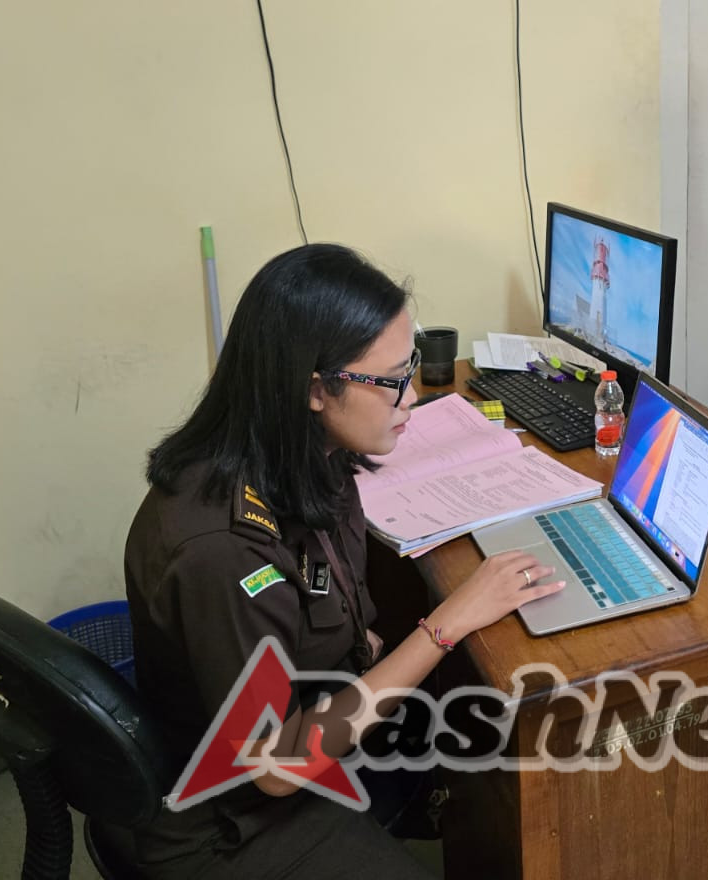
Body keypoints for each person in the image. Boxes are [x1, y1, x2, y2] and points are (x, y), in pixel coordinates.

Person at [125, 243, 564, 878]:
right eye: (390, 382)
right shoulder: (220, 551)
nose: (410, 395)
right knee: (461, 675)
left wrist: (358, 635)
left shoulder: (305, 456)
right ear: (314, 389)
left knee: (484, 727)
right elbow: (277, 770)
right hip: (231, 822)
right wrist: (444, 624)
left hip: (314, 699)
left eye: (408, 366)